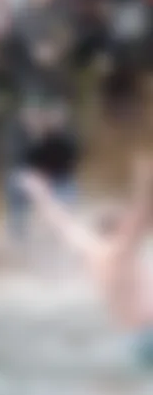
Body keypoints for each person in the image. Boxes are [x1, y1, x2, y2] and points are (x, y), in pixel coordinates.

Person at [18, 156, 153, 369]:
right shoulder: (120, 252)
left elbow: (62, 223)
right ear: (118, 229)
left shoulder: (93, 251)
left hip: (132, 342)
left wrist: (39, 193)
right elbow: (143, 214)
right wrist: (144, 181)